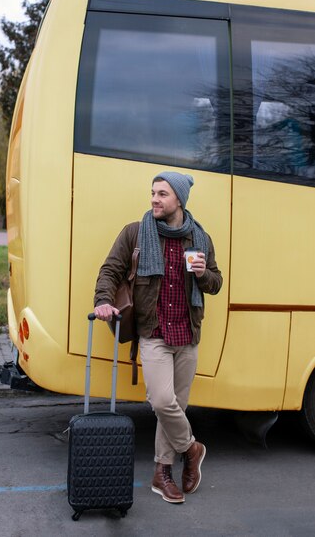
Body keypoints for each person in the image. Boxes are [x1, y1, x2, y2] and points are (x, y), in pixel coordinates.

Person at [94, 171, 222, 504]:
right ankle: (192, 450)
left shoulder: (200, 238)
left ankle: (162, 473)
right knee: (162, 401)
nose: (154, 199)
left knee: (175, 407)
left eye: (162, 194)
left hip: (187, 333)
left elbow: (216, 283)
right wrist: (103, 301)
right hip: (153, 332)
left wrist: (203, 273)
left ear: (179, 199)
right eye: (153, 193)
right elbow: (111, 270)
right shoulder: (136, 234)